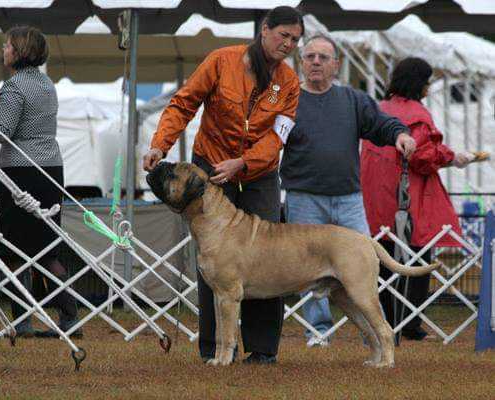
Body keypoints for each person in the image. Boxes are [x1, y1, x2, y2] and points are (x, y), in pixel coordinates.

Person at [143, 6, 304, 364]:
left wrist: (244, 163)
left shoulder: (290, 82)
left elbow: (280, 136)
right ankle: (215, 349)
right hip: (210, 169)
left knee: (269, 256)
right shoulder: (221, 61)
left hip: (258, 173)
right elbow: (183, 104)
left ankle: (262, 350)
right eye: (284, 35)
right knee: (214, 259)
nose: (289, 44)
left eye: (295, 39)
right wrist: (159, 144)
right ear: (265, 29)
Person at [280, 35, 416, 347]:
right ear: (301, 63)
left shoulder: (353, 100)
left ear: (336, 65)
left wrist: (400, 135)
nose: (316, 62)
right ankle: (318, 334)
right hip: (303, 198)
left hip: (349, 199)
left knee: (364, 267)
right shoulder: (288, 103)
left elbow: (383, 124)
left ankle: (376, 336)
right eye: (310, 56)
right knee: (308, 270)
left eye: (323, 57)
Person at [361, 57, 464, 340]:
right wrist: (451, 156)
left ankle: (382, 322)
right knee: (418, 257)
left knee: (381, 263)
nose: (430, 87)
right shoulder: (417, 113)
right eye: (428, 81)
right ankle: (409, 324)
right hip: (407, 198)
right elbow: (421, 156)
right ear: (420, 83)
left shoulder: (378, 107)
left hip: (373, 198)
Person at [0, 26, 81, 338]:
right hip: (51, 168)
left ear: (19, 51)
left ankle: (22, 320)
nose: (3, 51)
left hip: (21, 171)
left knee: (15, 248)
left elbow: (2, 131)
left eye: (7, 46)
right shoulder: (47, 84)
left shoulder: (14, 86)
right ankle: (70, 315)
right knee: (47, 248)